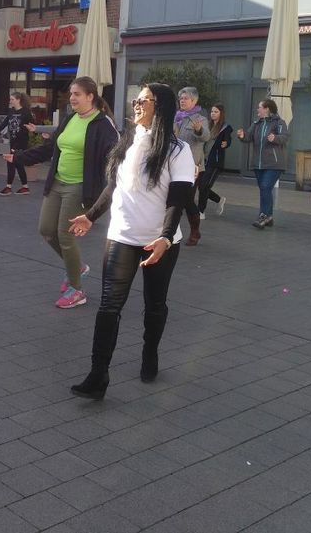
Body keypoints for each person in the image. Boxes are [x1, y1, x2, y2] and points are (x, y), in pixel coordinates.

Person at [67, 83, 195, 399]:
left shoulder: (178, 150)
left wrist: (165, 237)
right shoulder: (126, 142)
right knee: (109, 306)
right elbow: (115, 187)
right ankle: (98, 375)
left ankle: (150, 353)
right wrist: (91, 216)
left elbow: (177, 200)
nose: (136, 105)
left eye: (144, 100)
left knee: (154, 305)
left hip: (159, 241)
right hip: (121, 236)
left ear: (160, 106)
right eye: (135, 100)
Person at [9, 76, 119, 309]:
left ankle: (77, 290)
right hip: (57, 182)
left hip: (80, 187)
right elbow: (51, 147)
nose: (72, 98)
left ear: (91, 96)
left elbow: (115, 157)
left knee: (65, 235)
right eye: (71, 94)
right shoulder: (70, 119)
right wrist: (20, 157)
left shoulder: (103, 124)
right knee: (46, 230)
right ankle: (76, 267)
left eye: (77, 94)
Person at [236, 98, 290, 229]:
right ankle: (269, 217)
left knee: (265, 187)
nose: (257, 109)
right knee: (264, 189)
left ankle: (263, 216)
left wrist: (275, 138)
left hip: (274, 164)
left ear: (267, 109)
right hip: (258, 164)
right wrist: (242, 135)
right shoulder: (256, 123)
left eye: (259, 107)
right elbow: (248, 137)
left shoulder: (279, 122)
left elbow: (285, 137)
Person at [173, 87, 209, 245]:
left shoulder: (200, 119)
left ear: (194, 101)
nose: (182, 100)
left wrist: (199, 130)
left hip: (192, 167)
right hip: (173, 164)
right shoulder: (175, 117)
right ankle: (171, 231)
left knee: (187, 199)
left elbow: (206, 136)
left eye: (186, 98)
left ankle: (195, 231)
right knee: (172, 198)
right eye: (181, 97)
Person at [0, 92, 33, 196]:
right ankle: (25, 187)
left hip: (21, 143)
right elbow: (4, 123)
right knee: (18, 165)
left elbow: (30, 126)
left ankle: (8, 187)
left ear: (18, 100)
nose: (10, 101)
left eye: (12, 99)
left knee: (11, 163)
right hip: (13, 141)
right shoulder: (11, 111)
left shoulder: (26, 112)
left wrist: (17, 146)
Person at [196, 103, 232, 217]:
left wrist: (226, 143)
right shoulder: (207, 125)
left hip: (215, 162)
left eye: (216, 112)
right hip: (203, 160)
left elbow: (227, 140)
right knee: (201, 186)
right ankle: (219, 199)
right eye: (212, 111)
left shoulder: (225, 127)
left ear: (221, 114)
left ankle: (201, 211)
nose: (213, 114)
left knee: (204, 186)